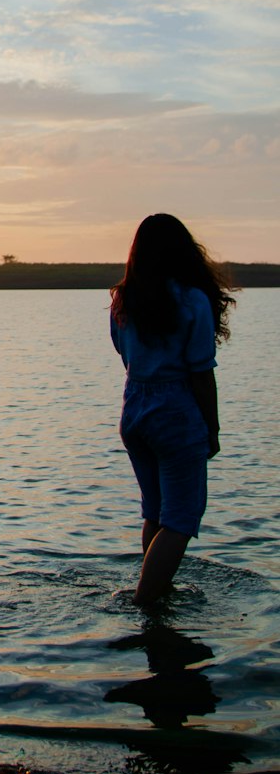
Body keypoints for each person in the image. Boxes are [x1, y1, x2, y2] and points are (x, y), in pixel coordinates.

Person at [110, 213, 235, 605]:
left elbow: (123, 354)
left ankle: (158, 591)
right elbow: (200, 373)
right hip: (176, 410)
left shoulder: (122, 299)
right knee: (181, 520)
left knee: (157, 512)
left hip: (134, 409)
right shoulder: (191, 299)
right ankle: (146, 601)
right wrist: (211, 429)